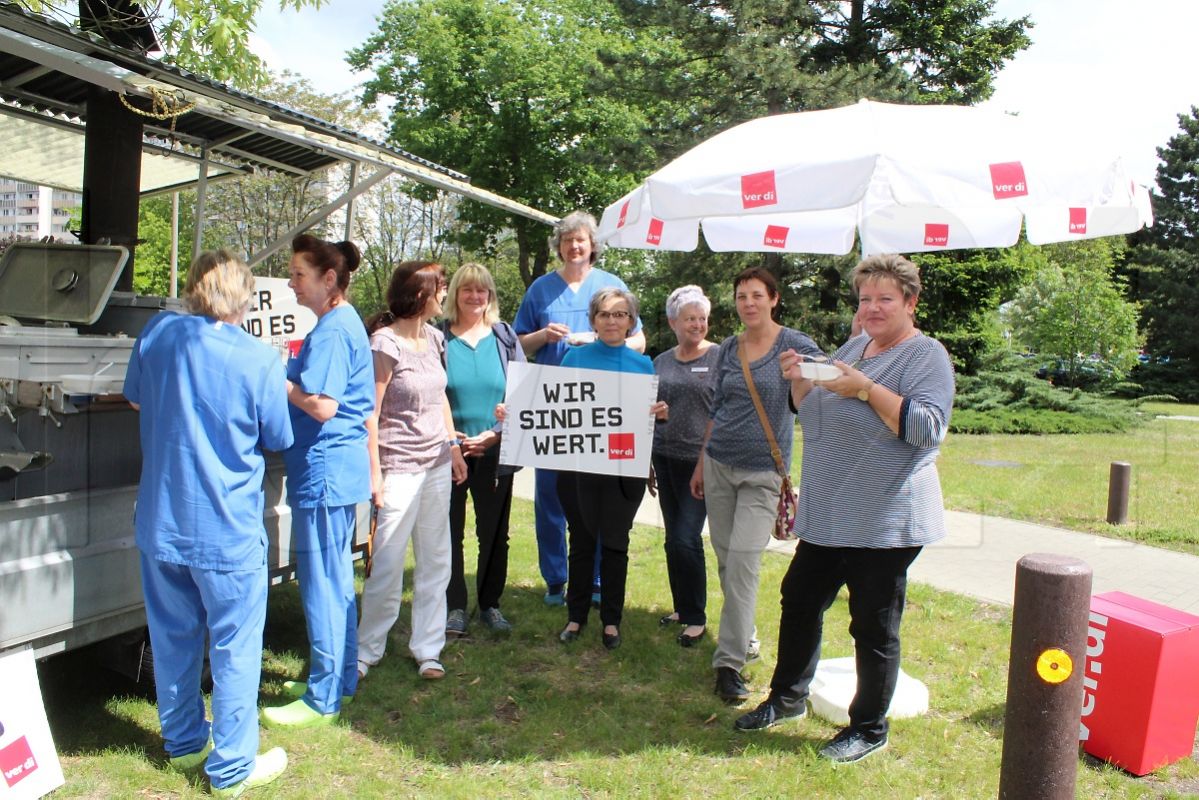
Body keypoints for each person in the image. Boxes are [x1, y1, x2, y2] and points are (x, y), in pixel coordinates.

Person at [734, 254, 955, 765]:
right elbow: (811, 409)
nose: (872, 308)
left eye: (884, 299)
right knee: (800, 598)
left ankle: (868, 728)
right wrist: (798, 380)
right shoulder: (856, 344)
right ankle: (787, 699)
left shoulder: (926, 356)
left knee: (872, 625)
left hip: (886, 518)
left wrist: (865, 388)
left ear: (910, 302)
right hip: (831, 512)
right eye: (865, 299)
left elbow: (926, 428)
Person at [124, 250, 291, 797]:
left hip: (163, 519)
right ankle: (232, 767)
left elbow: (135, 401)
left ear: (194, 287)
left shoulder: (157, 334)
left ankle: (183, 742)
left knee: (172, 639)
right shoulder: (261, 359)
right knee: (235, 649)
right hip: (226, 529)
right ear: (244, 296)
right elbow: (278, 437)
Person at [688, 267, 824, 704]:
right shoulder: (730, 347)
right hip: (719, 465)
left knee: (744, 561)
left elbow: (832, 376)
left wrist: (801, 374)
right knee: (727, 561)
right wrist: (699, 464)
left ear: (774, 299)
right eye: (741, 295)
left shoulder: (794, 344)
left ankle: (728, 665)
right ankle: (744, 634)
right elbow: (718, 407)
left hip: (764, 475)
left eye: (756, 295)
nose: (748, 303)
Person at [262, 234, 373, 729]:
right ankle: (339, 681)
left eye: (299, 275)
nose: (291, 283)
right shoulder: (340, 322)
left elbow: (323, 406)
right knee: (337, 581)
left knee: (324, 584)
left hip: (325, 469)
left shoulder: (331, 330)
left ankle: (323, 697)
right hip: (334, 468)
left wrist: (277, 381)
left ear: (329, 279)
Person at [514, 211, 645, 607]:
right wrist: (542, 334)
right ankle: (556, 579)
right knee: (552, 493)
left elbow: (639, 341)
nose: (574, 246)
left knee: (600, 495)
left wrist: (606, 344)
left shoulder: (612, 285)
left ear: (592, 245)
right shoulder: (540, 290)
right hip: (555, 405)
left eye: (581, 240)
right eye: (567, 240)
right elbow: (517, 344)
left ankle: (598, 579)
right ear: (559, 246)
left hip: (602, 402)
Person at [356, 261, 468, 681]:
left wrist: (453, 445)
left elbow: (440, 399)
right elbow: (371, 411)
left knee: (437, 559)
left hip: (437, 464)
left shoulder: (436, 338)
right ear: (421, 294)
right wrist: (375, 473)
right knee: (386, 561)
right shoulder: (384, 344)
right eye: (441, 288)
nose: (445, 295)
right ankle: (367, 650)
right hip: (398, 466)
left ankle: (428, 649)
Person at [554, 287, 664, 649]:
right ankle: (576, 615)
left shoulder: (643, 365)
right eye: (605, 314)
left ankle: (612, 621)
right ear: (593, 321)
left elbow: (640, 422)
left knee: (616, 543)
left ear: (631, 322)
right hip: (579, 466)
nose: (613, 321)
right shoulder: (573, 359)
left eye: (620, 314)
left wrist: (656, 416)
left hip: (623, 467)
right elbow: (554, 413)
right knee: (582, 541)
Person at [438, 263, 525, 638]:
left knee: (494, 533)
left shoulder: (505, 338)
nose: (475, 297)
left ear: (490, 296)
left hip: (496, 452)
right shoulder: (437, 339)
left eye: (482, 291)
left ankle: (490, 603)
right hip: (448, 454)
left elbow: (523, 395)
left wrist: (495, 435)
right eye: (467, 290)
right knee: (448, 532)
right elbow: (430, 396)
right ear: (455, 294)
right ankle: (454, 606)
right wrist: (452, 441)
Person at [652, 285, 719, 648]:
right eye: (690, 318)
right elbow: (646, 411)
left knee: (685, 537)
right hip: (664, 458)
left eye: (702, 318)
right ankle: (681, 607)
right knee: (671, 539)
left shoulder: (721, 358)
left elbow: (722, 413)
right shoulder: (660, 362)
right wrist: (646, 459)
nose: (697, 325)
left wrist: (705, 464)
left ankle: (695, 617)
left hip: (701, 463)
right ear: (673, 322)